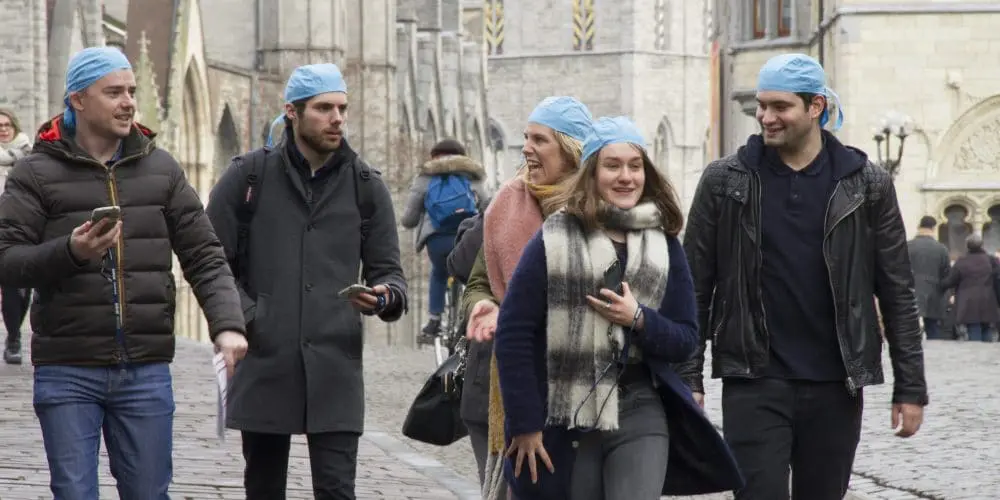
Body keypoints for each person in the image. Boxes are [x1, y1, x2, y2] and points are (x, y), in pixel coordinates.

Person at [0, 46, 248, 499]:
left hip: (145, 368)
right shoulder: (35, 172)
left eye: (131, 91)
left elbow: (205, 255)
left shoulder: (161, 168)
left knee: (149, 493)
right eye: (114, 92)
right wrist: (71, 252)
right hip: (67, 367)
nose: (128, 102)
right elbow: (7, 259)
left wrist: (227, 324)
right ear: (78, 99)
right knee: (74, 493)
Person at [678, 53, 928, 500]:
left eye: (780, 106)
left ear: (816, 107)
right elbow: (693, 285)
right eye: (762, 106)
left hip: (835, 383)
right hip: (753, 381)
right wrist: (688, 377)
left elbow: (897, 292)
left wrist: (910, 387)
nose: (766, 117)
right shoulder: (724, 181)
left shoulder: (866, 185)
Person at [494, 116, 742, 499]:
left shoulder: (664, 244)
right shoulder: (554, 238)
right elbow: (514, 333)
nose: (626, 177)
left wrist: (639, 318)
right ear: (592, 173)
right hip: (569, 414)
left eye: (635, 166)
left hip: (640, 407)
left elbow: (685, 339)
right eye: (613, 166)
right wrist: (525, 424)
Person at [206, 63, 408, 500]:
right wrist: (249, 316)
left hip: (336, 365)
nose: (337, 118)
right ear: (292, 112)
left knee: (337, 490)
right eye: (323, 108)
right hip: (265, 358)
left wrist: (384, 297)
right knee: (263, 488)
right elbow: (211, 262)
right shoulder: (247, 177)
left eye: (342, 109)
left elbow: (390, 274)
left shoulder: (367, 186)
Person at [459, 95, 592, 499]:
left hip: (580, 389)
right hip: (505, 381)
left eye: (539, 140)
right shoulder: (506, 205)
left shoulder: (597, 209)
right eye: (526, 138)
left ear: (570, 149)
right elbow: (478, 280)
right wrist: (483, 305)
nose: (527, 149)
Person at [400, 138, 488, 344]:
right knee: (471, 276)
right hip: (466, 237)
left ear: (434, 157)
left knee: (439, 273)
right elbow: (488, 206)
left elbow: (409, 219)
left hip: (437, 240)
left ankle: (434, 321)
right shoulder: (472, 175)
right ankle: (472, 315)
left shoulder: (425, 178)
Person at [0, 108, 33, 364]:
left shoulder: (29, 156)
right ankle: (13, 339)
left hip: (21, 225)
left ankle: (14, 334)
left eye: (7, 125)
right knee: (9, 283)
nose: (3, 129)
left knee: (22, 288)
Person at [940, 234, 1000, 342]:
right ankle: (987, 351)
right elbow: (997, 281)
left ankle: (976, 351)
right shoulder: (991, 260)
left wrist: (940, 284)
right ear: (982, 245)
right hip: (988, 300)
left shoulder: (962, 261)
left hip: (968, 302)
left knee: (973, 328)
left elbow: (951, 280)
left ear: (967, 246)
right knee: (987, 328)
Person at [908, 215, 951, 340]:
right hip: (934, 292)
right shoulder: (941, 249)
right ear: (933, 228)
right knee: (933, 328)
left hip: (909, 290)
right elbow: (946, 275)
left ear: (919, 227)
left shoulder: (907, 246)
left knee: (908, 327)